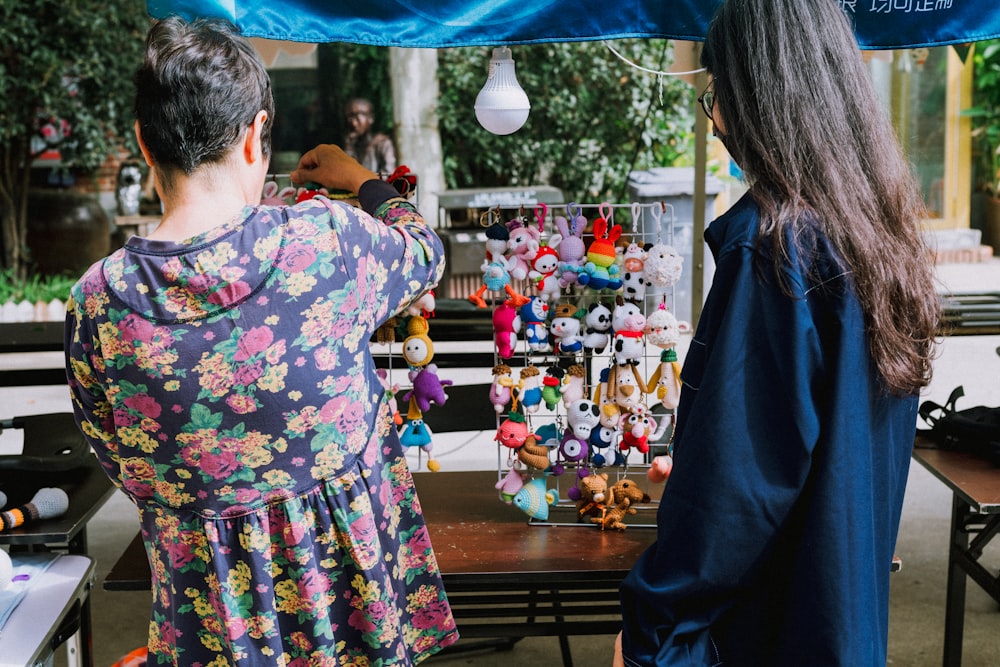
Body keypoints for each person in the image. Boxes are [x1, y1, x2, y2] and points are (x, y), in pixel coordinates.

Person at [64, 17, 458, 666]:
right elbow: (424, 252)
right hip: (349, 619)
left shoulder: (97, 301)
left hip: (206, 621)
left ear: (143, 140)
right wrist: (360, 175)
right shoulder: (325, 242)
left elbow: (118, 453)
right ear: (254, 135)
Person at [614, 0, 940, 665]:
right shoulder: (878, 235)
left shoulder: (774, 247)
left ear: (758, 93)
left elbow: (732, 500)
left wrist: (650, 632)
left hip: (763, 634)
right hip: (841, 622)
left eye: (717, 92)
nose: (716, 120)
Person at [343, 97, 397, 175]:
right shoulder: (352, 144)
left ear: (370, 119)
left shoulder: (383, 143)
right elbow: (345, 174)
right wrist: (349, 146)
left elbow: (389, 173)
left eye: (358, 119)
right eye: (350, 118)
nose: (354, 124)